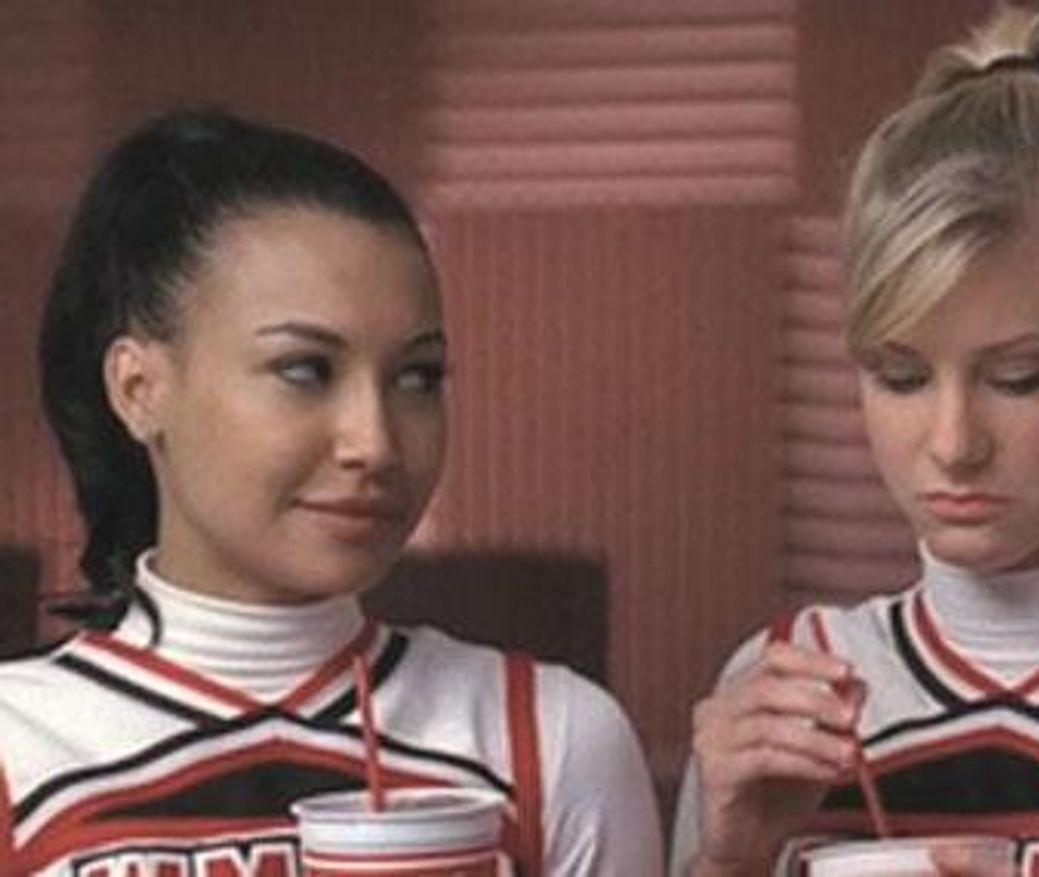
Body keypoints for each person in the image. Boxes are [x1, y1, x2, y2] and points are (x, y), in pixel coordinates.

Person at [0, 108, 664, 876]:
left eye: (417, 377)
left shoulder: (552, 738)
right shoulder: (17, 743)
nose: (374, 442)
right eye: (305, 369)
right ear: (138, 388)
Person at [671, 5, 1039, 875]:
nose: (953, 444)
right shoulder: (786, 684)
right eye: (901, 375)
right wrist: (727, 862)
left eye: (1017, 376)